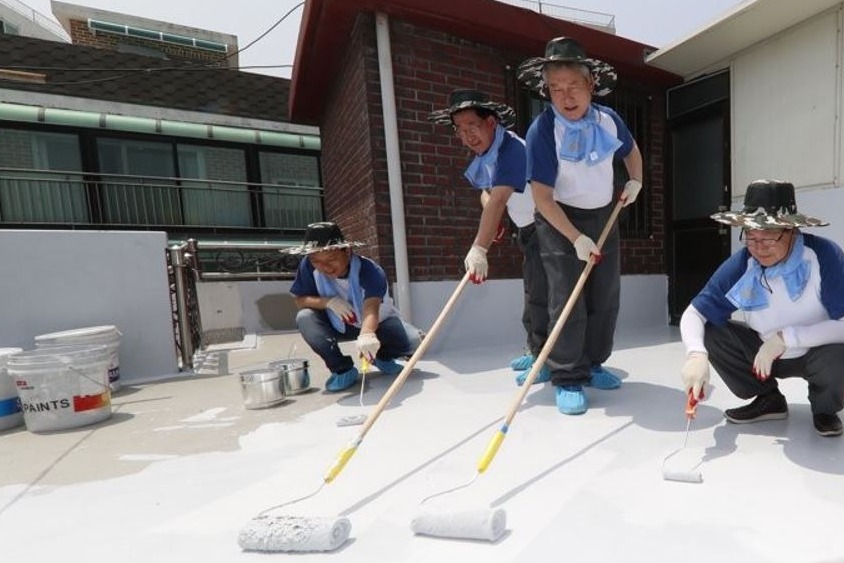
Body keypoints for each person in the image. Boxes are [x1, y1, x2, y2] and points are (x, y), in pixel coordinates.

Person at [517, 36, 644, 415]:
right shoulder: (542, 129)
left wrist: (634, 180)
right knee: (566, 298)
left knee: (604, 293)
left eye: (573, 86)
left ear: (590, 84)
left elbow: (631, 151)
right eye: (555, 89)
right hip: (559, 220)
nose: (565, 96)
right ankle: (567, 376)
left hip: (604, 213)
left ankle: (593, 363)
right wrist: (574, 237)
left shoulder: (609, 119)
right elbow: (541, 196)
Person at [679, 179, 844, 437]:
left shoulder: (824, 256)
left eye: (768, 238)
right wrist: (695, 354)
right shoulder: (745, 261)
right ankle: (768, 399)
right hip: (761, 355)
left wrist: (786, 338)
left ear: (791, 229)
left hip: (817, 353)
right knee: (711, 332)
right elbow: (694, 313)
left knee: (838, 356)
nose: (758, 248)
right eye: (751, 237)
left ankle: (825, 409)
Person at [428, 89, 547, 380]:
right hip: (527, 229)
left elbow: (497, 199)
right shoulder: (488, 153)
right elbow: (488, 193)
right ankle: (536, 350)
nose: (467, 136)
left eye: (472, 126)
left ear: (492, 122)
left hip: (549, 227)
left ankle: (548, 360)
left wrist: (479, 247)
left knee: (546, 295)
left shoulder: (512, 148)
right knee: (532, 294)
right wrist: (496, 222)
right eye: (460, 130)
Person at [287, 221, 423, 392]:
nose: (325, 267)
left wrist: (367, 334)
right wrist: (328, 302)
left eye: (331, 259)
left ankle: (382, 356)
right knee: (305, 317)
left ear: (347, 251)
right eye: (317, 261)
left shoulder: (369, 270)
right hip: (337, 324)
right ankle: (342, 369)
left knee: (413, 341)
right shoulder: (308, 267)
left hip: (378, 325)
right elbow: (300, 300)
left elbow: (371, 307)